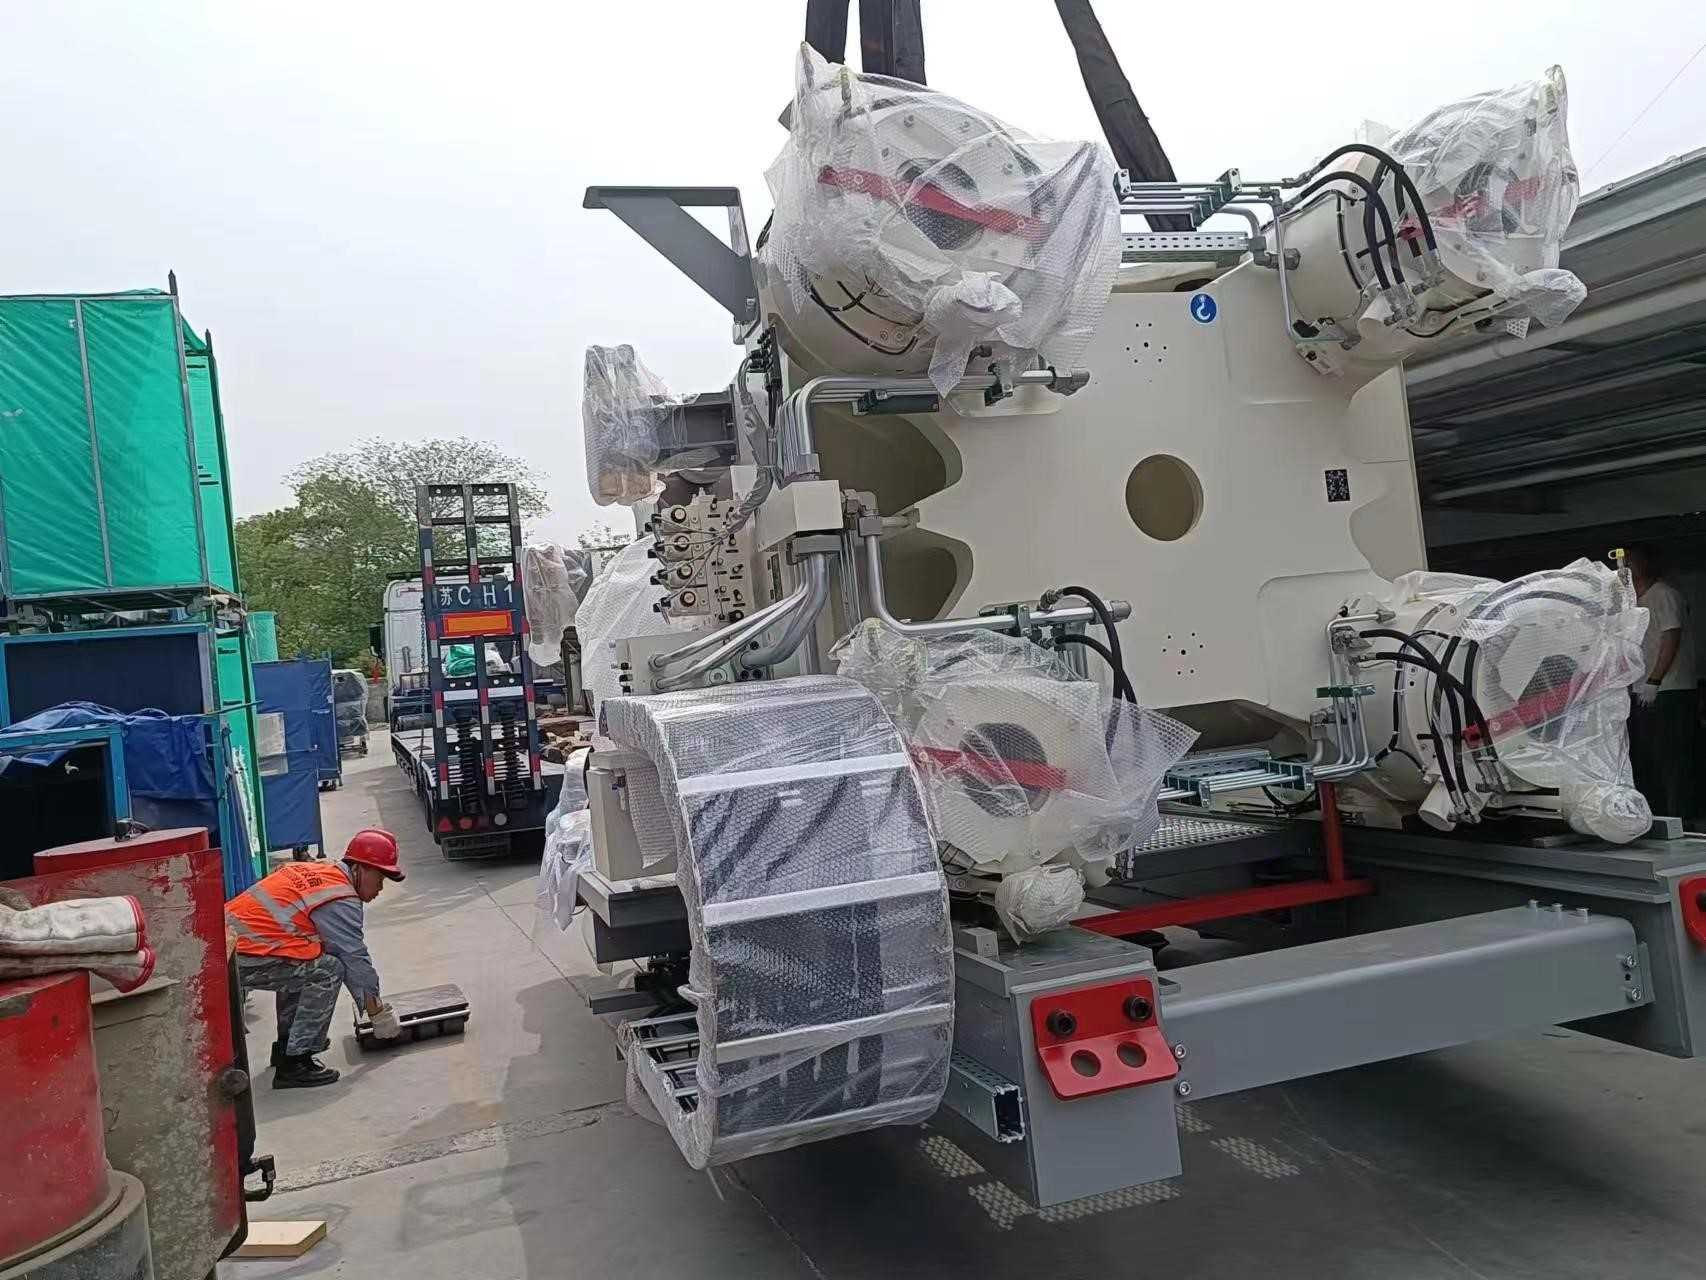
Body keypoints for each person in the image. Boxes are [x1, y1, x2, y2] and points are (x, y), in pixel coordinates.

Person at [226, 829, 406, 1088]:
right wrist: (377, 1013)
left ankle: (287, 1047)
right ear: (358, 869)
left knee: (304, 959)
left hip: (226, 946)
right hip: (237, 956)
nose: (380, 888)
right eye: (380, 877)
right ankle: (296, 1062)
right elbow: (354, 958)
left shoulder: (319, 872)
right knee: (328, 970)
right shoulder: (341, 897)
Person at [1627, 544, 1696, 821]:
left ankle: (1681, 816)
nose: (1626, 568)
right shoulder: (1635, 600)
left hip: (1669, 688)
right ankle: (1657, 814)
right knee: (1648, 755)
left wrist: (1655, 679)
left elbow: (1671, 637)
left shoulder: (1663, 594)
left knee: (1672, 756)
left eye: (1631, 562)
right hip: (1643, 688)